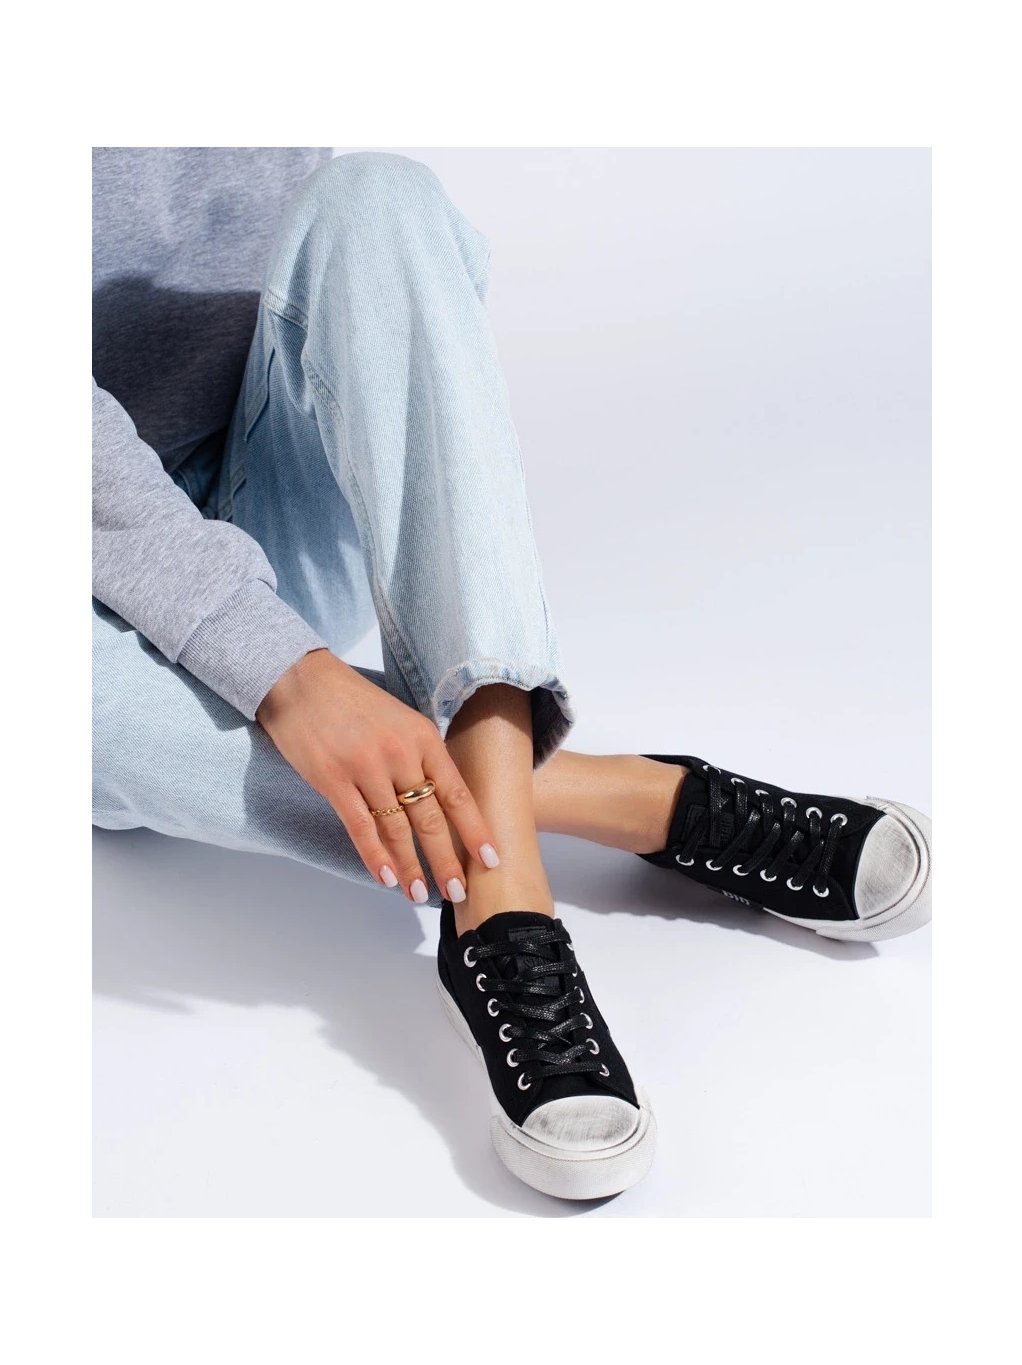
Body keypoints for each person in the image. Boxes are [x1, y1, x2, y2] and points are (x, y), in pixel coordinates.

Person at [93, 147, 931, 1201]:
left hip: (257, 484)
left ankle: (491, 886)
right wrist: (283, 673)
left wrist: (276, 644)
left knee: (380, 201)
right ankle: (616, 814)